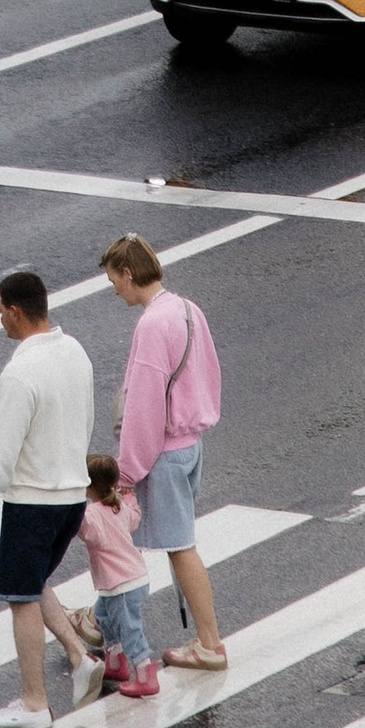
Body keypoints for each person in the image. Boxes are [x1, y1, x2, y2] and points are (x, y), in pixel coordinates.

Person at [0, 267, 97, 728]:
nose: (0, 321)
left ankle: (35, 703)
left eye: (0, 312)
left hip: (33, 501)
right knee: (32, 582)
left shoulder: (19, 373)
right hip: (72, 496)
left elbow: (4, 449)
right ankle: (80, 658)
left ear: (15, 311)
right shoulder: (75, 351)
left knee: (20, 597)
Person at [100, 231, 226, 670]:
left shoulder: (152, 324)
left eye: (114, 279)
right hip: (191, 444)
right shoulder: (187, 308)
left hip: (165, 454)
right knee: (175, 543)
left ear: (129, 273)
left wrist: (126, 471)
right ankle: (107, 625)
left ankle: (209, 644)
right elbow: (207, 372)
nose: (114, 289)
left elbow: (145, 403)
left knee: (177, 546)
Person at [80, 452, 160, 700]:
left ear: (88, 485)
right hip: (128, 580)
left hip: (120, 584)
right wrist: (130, 497)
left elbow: (87, 533)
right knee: (103, 616)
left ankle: (146, 674)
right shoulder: (120, 505)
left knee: (129, 629)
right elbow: (134, 520)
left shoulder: (92, 515)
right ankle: (116, 662)